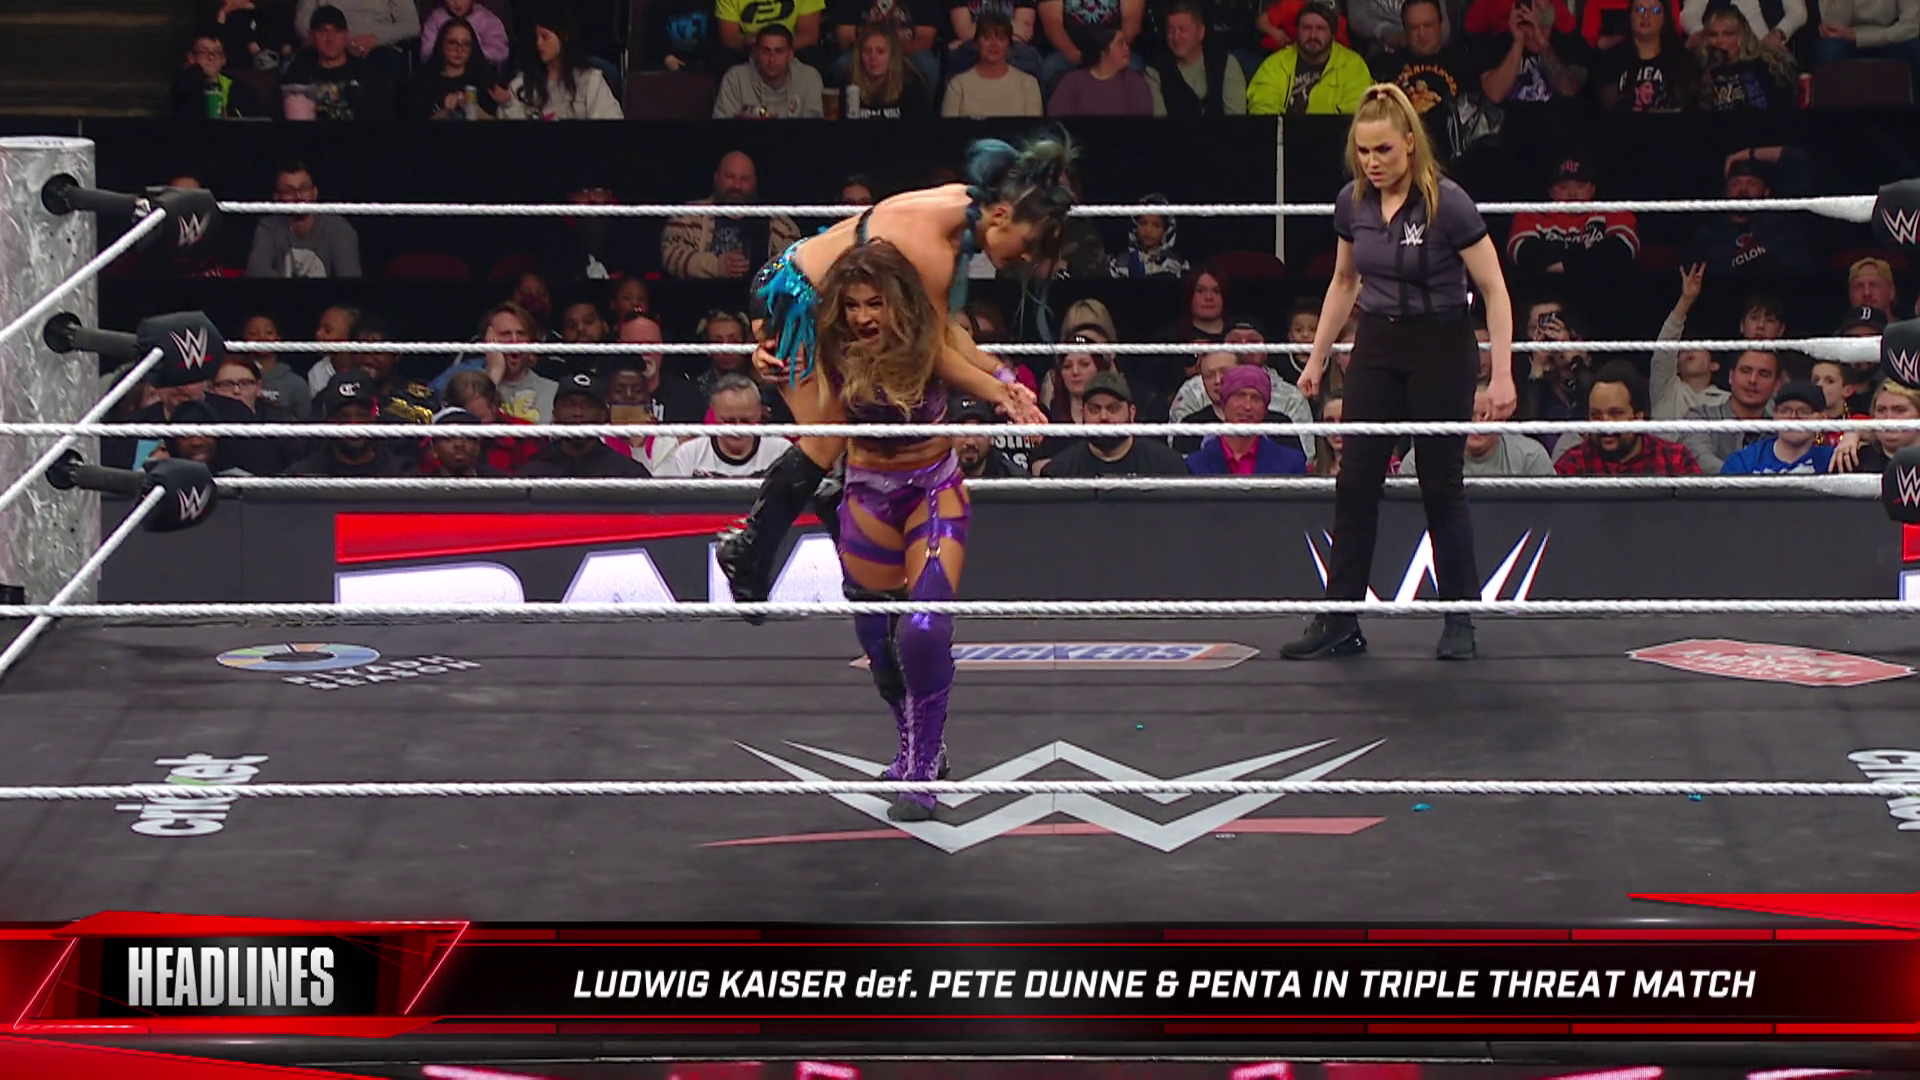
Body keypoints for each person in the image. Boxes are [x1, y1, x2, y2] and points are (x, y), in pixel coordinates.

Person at [716, 133, 1072, 606]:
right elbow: (931, 350)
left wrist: (1002, 377)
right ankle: (750, 550)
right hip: (797, 297)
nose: (1026, 257)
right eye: (1029, 243)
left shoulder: (964, 205)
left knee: (840, 445)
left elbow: (942, 330)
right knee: (827, 439)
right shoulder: (931, 248)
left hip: (825, 298)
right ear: (1003, 215)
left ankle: (855, 578)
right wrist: (999, 393)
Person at [1286, 83, 1517, 663]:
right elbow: (1344, 282)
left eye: (1383, 150)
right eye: (1363, 152)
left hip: (1441, 342)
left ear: (1410, 143)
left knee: (1440, 483)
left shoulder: (1448, 202)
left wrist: (1502, 374)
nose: (1372, 162)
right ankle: (1339, 620)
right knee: (1355, 480)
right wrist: (1317, 357)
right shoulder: (1352, 202)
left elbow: (1493, 288)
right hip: (1378, 341)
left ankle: (1459, 619)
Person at [817, 242, 972, 823]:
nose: (863, 316)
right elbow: (812, 410)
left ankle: (924, 770)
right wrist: (768, 361)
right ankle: (913, 745)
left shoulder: (933, 334)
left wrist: (1010, 387)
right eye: (853, 304)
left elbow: (976, 362)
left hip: (932, 488)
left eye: (875, 303)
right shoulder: (832, 348)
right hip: (866, 491)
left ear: (897, 302)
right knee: (877, 638)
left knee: (925, 628)